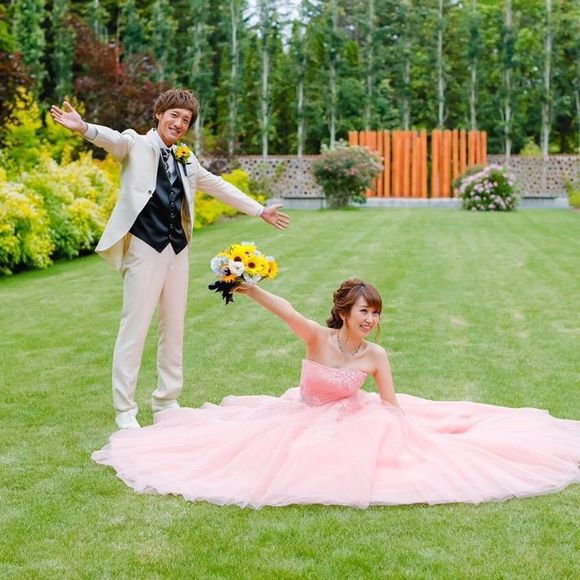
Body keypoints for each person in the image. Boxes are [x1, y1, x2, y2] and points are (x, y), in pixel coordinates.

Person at [92, 279, 580, 508]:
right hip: (300, 414)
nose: (371, 319)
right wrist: (252, 289)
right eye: (364, 311)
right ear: (344, 312)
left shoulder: (376, 356)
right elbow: (286, 310)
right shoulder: (317, 338)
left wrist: (400, 433)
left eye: (376, 312)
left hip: (356, 416)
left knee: (384, 439)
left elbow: (391, 407)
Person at [50, 90, 290, 430]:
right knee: (135, 327)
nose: (178, 123)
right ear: (159, 114)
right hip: (144, 248)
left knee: (174, 326)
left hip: (178, 251)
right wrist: (84, 127)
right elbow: (112, 139)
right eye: (174, 115)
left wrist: (259, 210)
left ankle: (166, 400)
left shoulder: (186, 158)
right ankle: (125, 408)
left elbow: (218, 185)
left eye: (185, 120)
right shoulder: (136, 144)